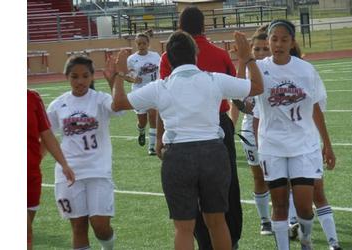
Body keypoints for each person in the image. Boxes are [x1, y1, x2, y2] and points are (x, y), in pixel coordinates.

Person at [108, 29, 262, 250]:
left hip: (178, 156)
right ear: (195, 54)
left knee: (184, 228)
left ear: (168, 59)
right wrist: (247, 58)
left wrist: (120, 75)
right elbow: (257, 87)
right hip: (213, 154)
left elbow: (118, 104)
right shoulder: (213, 80)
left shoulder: (161, 86)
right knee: (217, 223)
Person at [158, 7, 243, 249]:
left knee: (187, 197)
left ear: (180, 26)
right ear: (204, 26)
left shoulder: (168, 57)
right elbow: (238, 94)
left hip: (182, 129)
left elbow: (163, 97)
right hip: (217, 126)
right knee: (226, 189)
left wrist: (159, 137)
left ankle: (202, 240)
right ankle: (231, 239)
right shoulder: (221, 54)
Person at [253, 19, 336, 250]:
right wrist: (243, 59)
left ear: (292, 42)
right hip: (272, 146)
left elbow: (316, 108)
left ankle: (306, 239)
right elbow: (243, 94)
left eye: (284, 39)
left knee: (304, 208)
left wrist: (327, 145)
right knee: (279, 206)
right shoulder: (259, 68)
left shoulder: (306, 70)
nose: (278, 44)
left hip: (303, 145)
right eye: (274, 39)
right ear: (268, 41)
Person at [46, 55, 126, 250]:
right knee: (78, 227)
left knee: (100, 225)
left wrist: (116, 80)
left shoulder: (100, 100)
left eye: (84, 76)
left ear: (92, 77)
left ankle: (108, 247)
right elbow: (46, 136)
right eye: (74, 76)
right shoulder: (57, 105)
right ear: (67, 77)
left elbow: (118, 107)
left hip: (98, 171)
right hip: (68, 173)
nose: (80, 81)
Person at [235, 26, 272, 235]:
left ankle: (289, 217)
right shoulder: (247, 69)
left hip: (274, 130)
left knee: (280, 178)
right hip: (250, 129)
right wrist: (242, 106)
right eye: (256, 49)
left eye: (264, 49)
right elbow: (237, 97)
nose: (260, 54)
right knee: (259, 177)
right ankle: (265, 220)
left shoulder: (277, 70)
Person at [27, 89, 75, 250]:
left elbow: (46, 133)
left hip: (31, 174)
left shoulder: (32, 98)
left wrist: (64, 164)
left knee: (27, 236)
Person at [126, 31, 160, 155]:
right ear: (136, 44)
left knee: (152, 115)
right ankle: (141, 130)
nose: (141, 46)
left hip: (153, 89)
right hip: (139, 91)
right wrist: (132, 78)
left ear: (148, 44)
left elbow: (160, 69)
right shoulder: (132, 59)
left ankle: (152, 146)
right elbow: (128, 75)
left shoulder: (155, 56)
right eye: (139, 44)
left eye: (144, 43)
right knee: (142, 121)